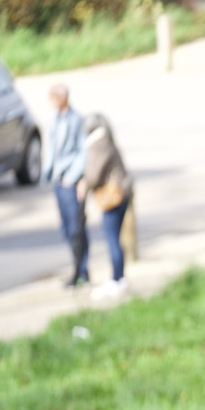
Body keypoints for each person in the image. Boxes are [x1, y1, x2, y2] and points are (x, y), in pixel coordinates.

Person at [81, 113, 134, 300]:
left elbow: (94, 174)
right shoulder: (108, 140)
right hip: (122, 195)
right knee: (116, 239)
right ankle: (120, 278)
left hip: (113, 198)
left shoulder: (99, 144)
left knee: (113, 241)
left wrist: (84, 184)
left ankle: (117, 279)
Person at [43, 84, 88, 288]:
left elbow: (82, 151)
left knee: (76, 228)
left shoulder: (75, 120)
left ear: (63, 98)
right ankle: (77, 267)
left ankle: (81, 271)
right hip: (58, 179)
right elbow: (52, 150)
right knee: (66, 228)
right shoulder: (54, 119)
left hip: (71, 180)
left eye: (54, 97)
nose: (51, 101)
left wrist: (73, 177)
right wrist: (49, 173)